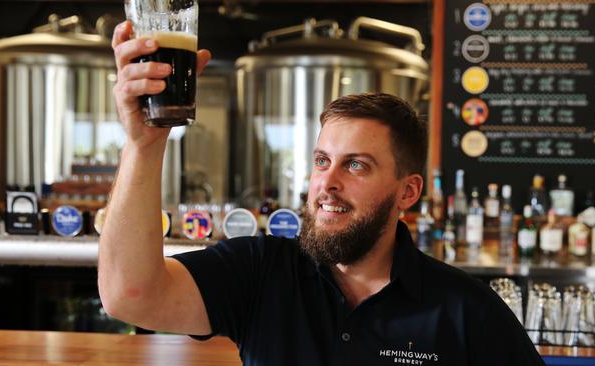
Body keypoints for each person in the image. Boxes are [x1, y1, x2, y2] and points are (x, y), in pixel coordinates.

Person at [99, 21, 545, 366]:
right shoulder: (261, 274)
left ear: (407, 192)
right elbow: (128, 296)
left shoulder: (466, 310)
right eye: (321, 161)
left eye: (355, 165)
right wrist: (145, 142)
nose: (327, 183)